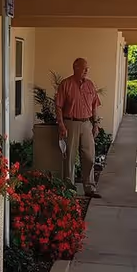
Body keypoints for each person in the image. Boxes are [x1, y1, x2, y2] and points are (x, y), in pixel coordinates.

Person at [55, 57, 102, 198]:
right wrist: (61, 124)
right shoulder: (66, 84)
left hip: (87, 124)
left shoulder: (90, 85)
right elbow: (58, 106)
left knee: (89, 157)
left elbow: (94, 106)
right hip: (71, 123)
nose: (87, 70)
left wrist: (96, 124)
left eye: (88, 68)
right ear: (75, 68)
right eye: (84, 68)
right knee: (70, 157)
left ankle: (89, 187)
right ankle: (70, 189)